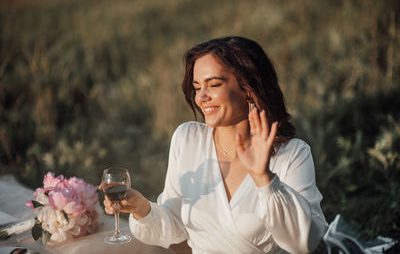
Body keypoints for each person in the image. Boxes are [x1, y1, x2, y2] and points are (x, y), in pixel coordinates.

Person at [103, 36, 328, 253]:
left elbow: (310, 243)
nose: (201, 97)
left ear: (248, 89)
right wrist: (142, 208)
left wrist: (264, 180)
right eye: (197, 86)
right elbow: (175, 229)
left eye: (214, 84)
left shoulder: (292, 155)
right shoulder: (187, 138)